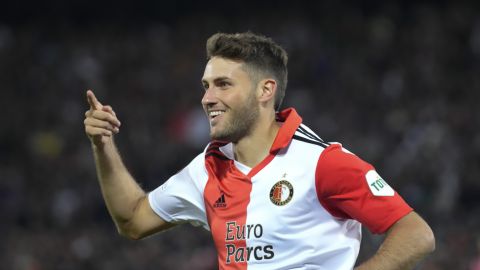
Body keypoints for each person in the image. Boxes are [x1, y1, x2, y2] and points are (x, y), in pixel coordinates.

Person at [84, 32, 435, 269]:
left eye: (223, 84)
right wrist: (103, 146)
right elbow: (133, 219)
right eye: (206, 86)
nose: (207, 99)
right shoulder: (207, 170)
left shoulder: (322, 162)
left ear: (265, 90)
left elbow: (416, 233)